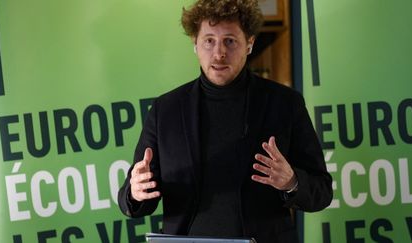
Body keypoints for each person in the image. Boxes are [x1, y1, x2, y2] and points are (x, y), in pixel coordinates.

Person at [118, 0, 333, 242]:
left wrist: (291, 182)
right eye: (209, 40)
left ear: (249, 43)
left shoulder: (285, 104)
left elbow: (322, 192)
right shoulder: (165, 110)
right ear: (195, 44)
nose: (219, 53)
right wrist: (135, 192)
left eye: (230, 41)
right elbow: (134, 198)